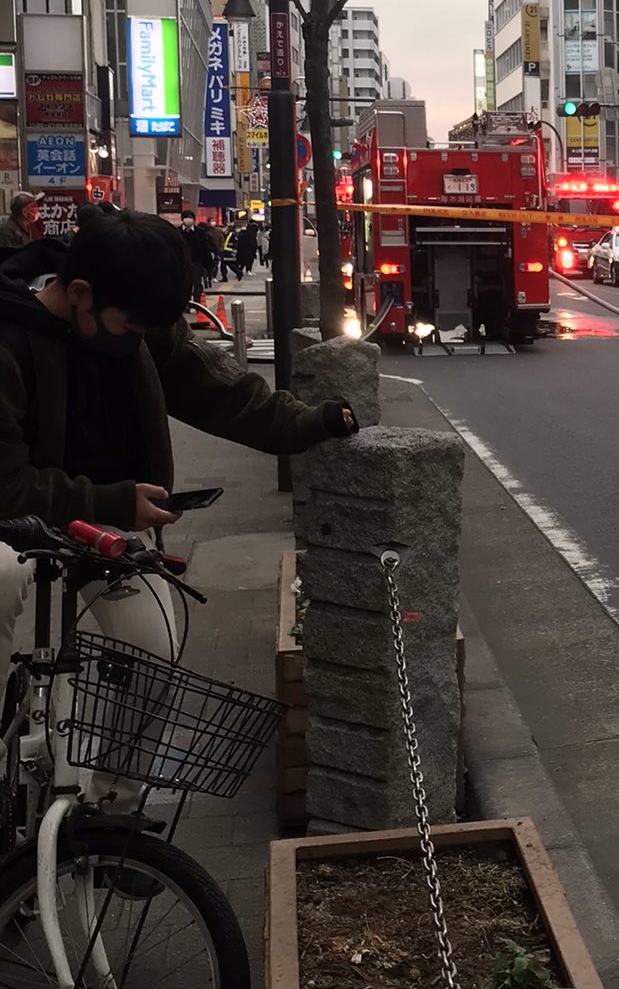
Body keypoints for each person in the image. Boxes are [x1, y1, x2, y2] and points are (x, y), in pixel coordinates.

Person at [0, 209, 358, 660]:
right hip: (17, 520)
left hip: (103, 520)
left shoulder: (135, 315)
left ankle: (100, 733)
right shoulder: (9, 342)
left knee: (154, 651)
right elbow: (7, 487)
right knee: (2, 581)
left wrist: (307, 422)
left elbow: (218, 391)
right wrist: (113, 501)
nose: (137, 340)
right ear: (78, 293)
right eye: (130, 329)